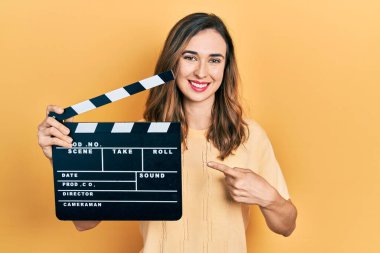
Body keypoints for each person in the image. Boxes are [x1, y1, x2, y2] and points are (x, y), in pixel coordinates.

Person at [37, 12, 297, 253]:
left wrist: (269, 197)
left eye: (214, 60)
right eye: (190, 57)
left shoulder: (250, 135)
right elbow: (85, 222)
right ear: (173, 62)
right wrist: (62, 160)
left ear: (225, 68)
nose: (202, 71)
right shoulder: (137, 137)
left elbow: (286, 226)